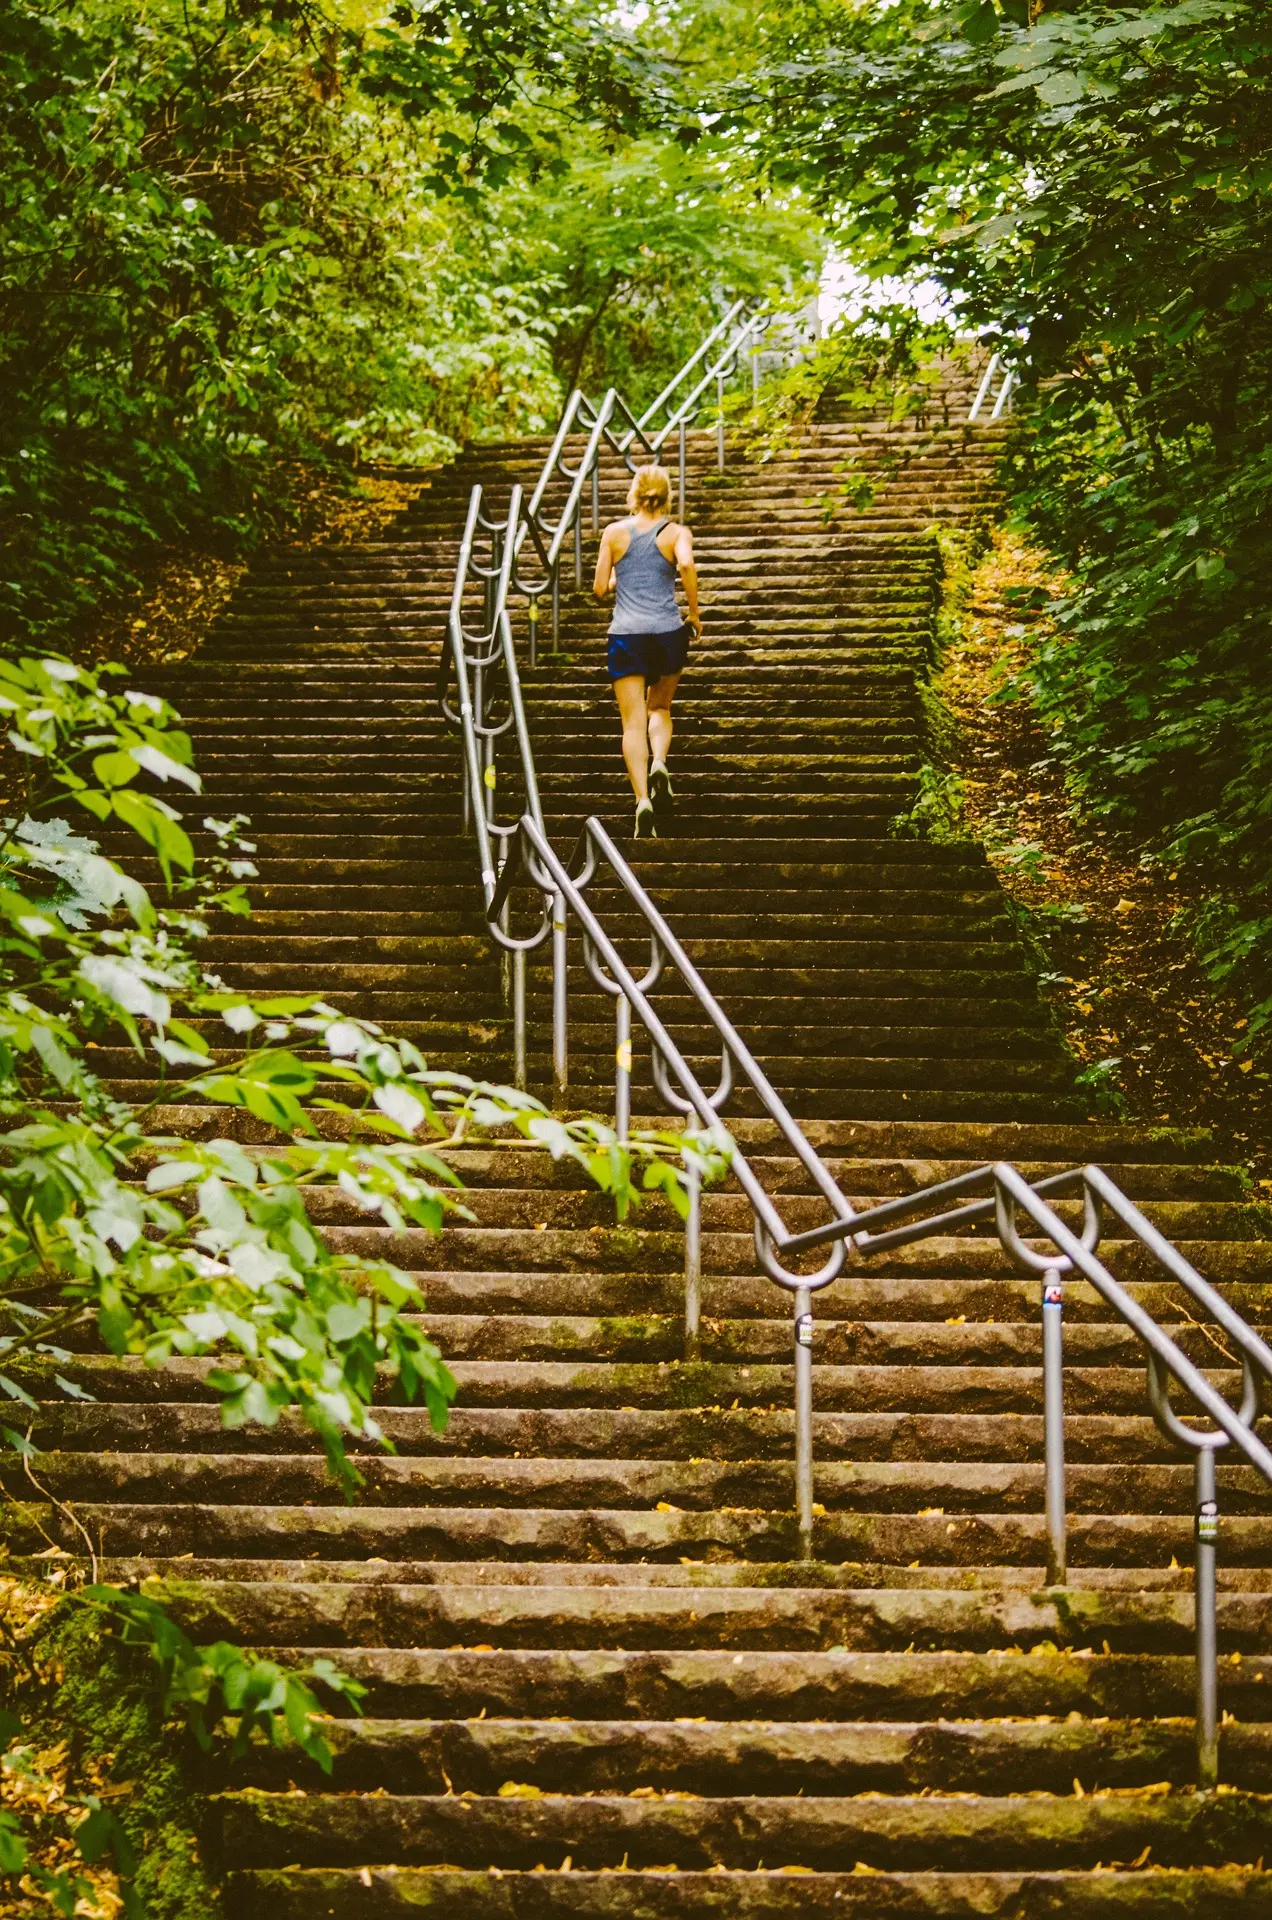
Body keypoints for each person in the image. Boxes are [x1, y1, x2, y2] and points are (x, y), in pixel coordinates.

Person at [593, 462, 701, 840]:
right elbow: (685, 564)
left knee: (632, 722)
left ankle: (641, 801)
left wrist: (616, 574)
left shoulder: (613, 533)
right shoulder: (676, 533)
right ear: (666, 495)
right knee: (660, 708)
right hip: (668, 632)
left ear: (634, 493)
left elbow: (599, 589)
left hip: (626, 635)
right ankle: (659, 762)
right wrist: (694, 612)